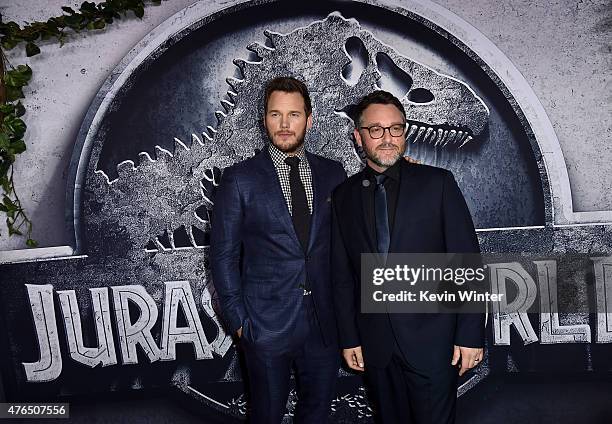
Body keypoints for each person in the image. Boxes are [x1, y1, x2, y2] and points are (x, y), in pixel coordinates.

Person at [331, 90, 485, 424]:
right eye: (376, 130)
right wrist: (349, 337)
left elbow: (466, 262)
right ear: (358, 137)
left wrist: (470, 335)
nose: (387, 138)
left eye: (395, 128)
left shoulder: (438, 184)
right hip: (377, 346)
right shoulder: (344, 196)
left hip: (433, 343)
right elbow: (343, 275)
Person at [210, 76, 346, 423]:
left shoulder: (334, 173)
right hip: (264, 326)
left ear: (309, 119)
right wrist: (239, 321)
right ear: (265, 119)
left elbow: (348, 243)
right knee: (266, 416)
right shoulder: (239, 179)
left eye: (294, 115)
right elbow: (222, 255)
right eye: (275, 115)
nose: (284, 125)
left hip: (323, 324)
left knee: (316, 414)